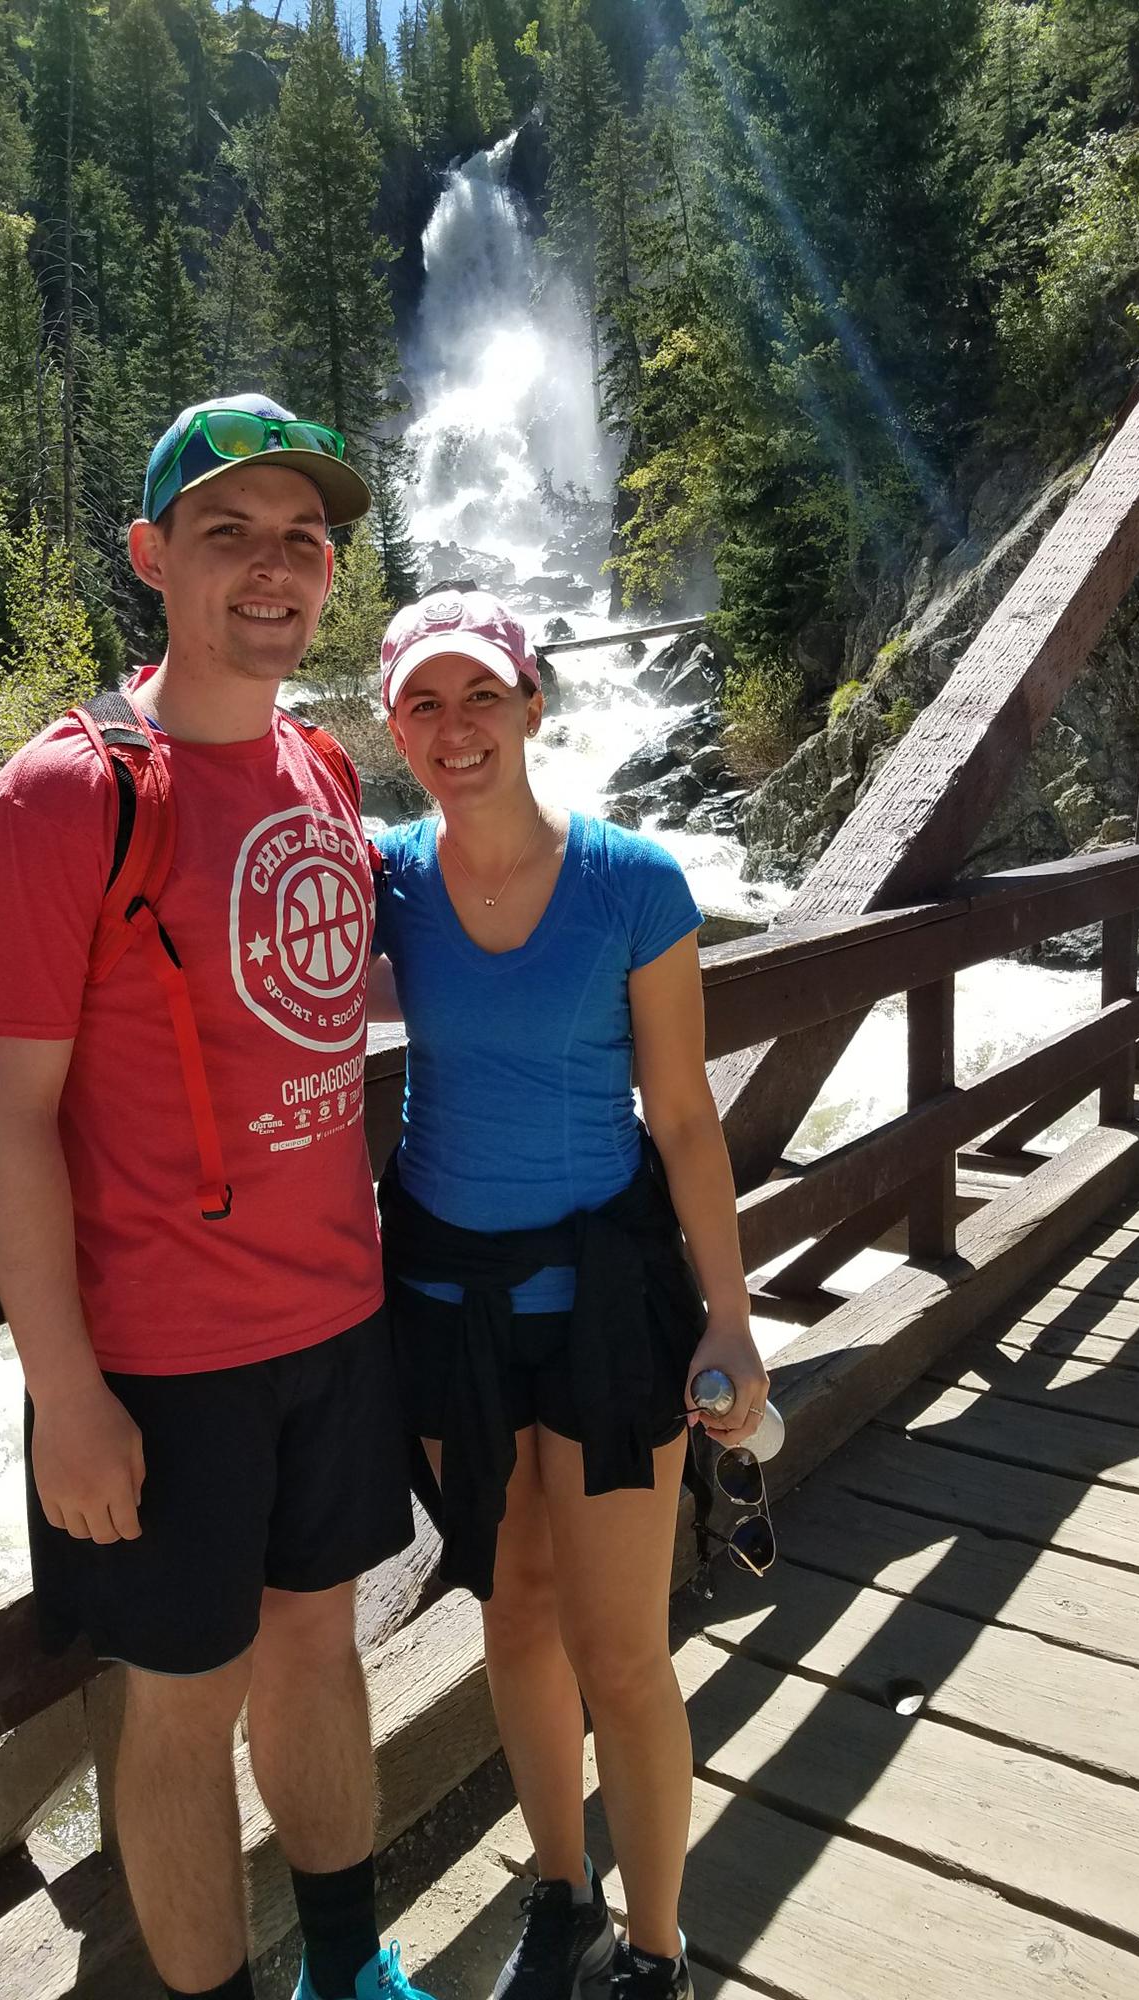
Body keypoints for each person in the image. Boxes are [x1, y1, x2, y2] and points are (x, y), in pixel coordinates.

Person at [0, 394, 431, 2000]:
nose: (279, 571)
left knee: (318, 1652)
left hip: (335, 1320)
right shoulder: (57, 801)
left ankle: (351, 1971)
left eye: (306, 540)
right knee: (179, 1706)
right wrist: (63, 1393)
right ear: (152, 557)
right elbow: (5, 1123)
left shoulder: (320, 763)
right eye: (231, 535)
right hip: (161, 1358)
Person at [370, 587, 770, 2000]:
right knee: (514, 1606)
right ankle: (560, 1891)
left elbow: (685, 1120)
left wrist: (728, 1314)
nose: (456, 726)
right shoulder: (382, 881)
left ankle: (655, 1947)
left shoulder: (631, 885)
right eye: (425, 702)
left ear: (536, 705)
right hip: (442, 1301)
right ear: (393, 726)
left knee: (620, 1646)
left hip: (605, 1306)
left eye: (483, 694)